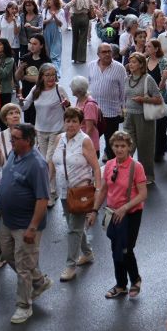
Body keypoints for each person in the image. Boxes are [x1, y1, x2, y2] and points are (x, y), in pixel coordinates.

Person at [0, 122, 52, 325]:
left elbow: (42, 199)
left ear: (27, 141)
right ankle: (39, 281)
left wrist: (32, 227)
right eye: (11, 138)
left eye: (15, 138)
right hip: (7, 220)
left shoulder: (37, 164)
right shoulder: (13, 153)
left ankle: (24, 306)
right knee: (8, 255)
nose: (11, 141)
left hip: (25, 225)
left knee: (23, 267)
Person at [89, 131, 147, 299]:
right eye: (116, 146)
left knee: (125, 249)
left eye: (123, 146)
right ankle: (121, 285)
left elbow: (143, 194)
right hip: (112, 213)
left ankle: (135, 279)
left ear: (129, 147)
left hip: (131, 214)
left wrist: (124, 208)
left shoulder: (136, 167)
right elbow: (104, 190)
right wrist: (94, 210)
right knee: (116, 249)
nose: (119, 149)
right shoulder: (109, 165)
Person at [52, 108, 101, 283]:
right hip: (64, 191)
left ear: (80, 123)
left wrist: (98, 190)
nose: (70, 124)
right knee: (74, 225)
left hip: (80, 191)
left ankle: (70, 266)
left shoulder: (85, 141)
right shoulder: (59, 138)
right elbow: (54, 162)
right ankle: (87, 253)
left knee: (73, 229)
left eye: (74, 121)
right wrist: (47, 186)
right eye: (68, 121)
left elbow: (96, 167)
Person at [19, 63, 69, 207]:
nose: (51, 78)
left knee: (49, 161)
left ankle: (50, 193)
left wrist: (67, 104)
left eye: (53, 74)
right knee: (45, 163)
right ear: (41, 77)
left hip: (57, 130)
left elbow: (70, 108)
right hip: (40, 130)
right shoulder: (36, 89)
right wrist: (21, 101)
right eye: (47, 75)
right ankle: (52, 191)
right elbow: (25, 106)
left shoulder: (60, 89)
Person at [122, 52, 163, 182]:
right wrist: (123, 109)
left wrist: (143, 99)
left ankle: (147, 176)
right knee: (127, 146)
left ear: (141, 64)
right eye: (130, 61)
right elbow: (125, 97)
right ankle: (124, 174)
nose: (130, 64)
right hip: (129, 116)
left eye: (134, 62)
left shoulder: (148, 79)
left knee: (145, 147)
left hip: (144, 117)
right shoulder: (127, 79)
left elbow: (158, 99)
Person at [89, 43, 128, 160]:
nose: (107, 54)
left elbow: (124, 90)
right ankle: (93, 169)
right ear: (98, 54)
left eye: (109, 51)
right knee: (91, 143)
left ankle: (111, 171)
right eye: (104, 52)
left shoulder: (119, 68)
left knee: (112, 144)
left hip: (111, 113)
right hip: (94, 113)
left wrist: (123, 108)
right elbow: (89, 85)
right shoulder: (91, 65)